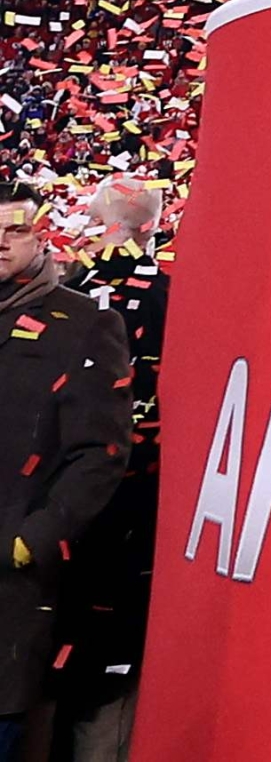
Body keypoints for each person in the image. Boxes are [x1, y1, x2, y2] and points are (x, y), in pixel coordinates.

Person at [0, 184, 129, 762]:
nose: (0, 244)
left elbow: (101, 452)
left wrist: (33, 538)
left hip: (10, 585)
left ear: (40, 234)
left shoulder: (82, 325)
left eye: (15, 230)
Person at [52, 180, 167, 762]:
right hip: (136, 502)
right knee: (110, 662)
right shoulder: (175, 294)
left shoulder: (60, 294)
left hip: (56, 505)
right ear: (152, 226)